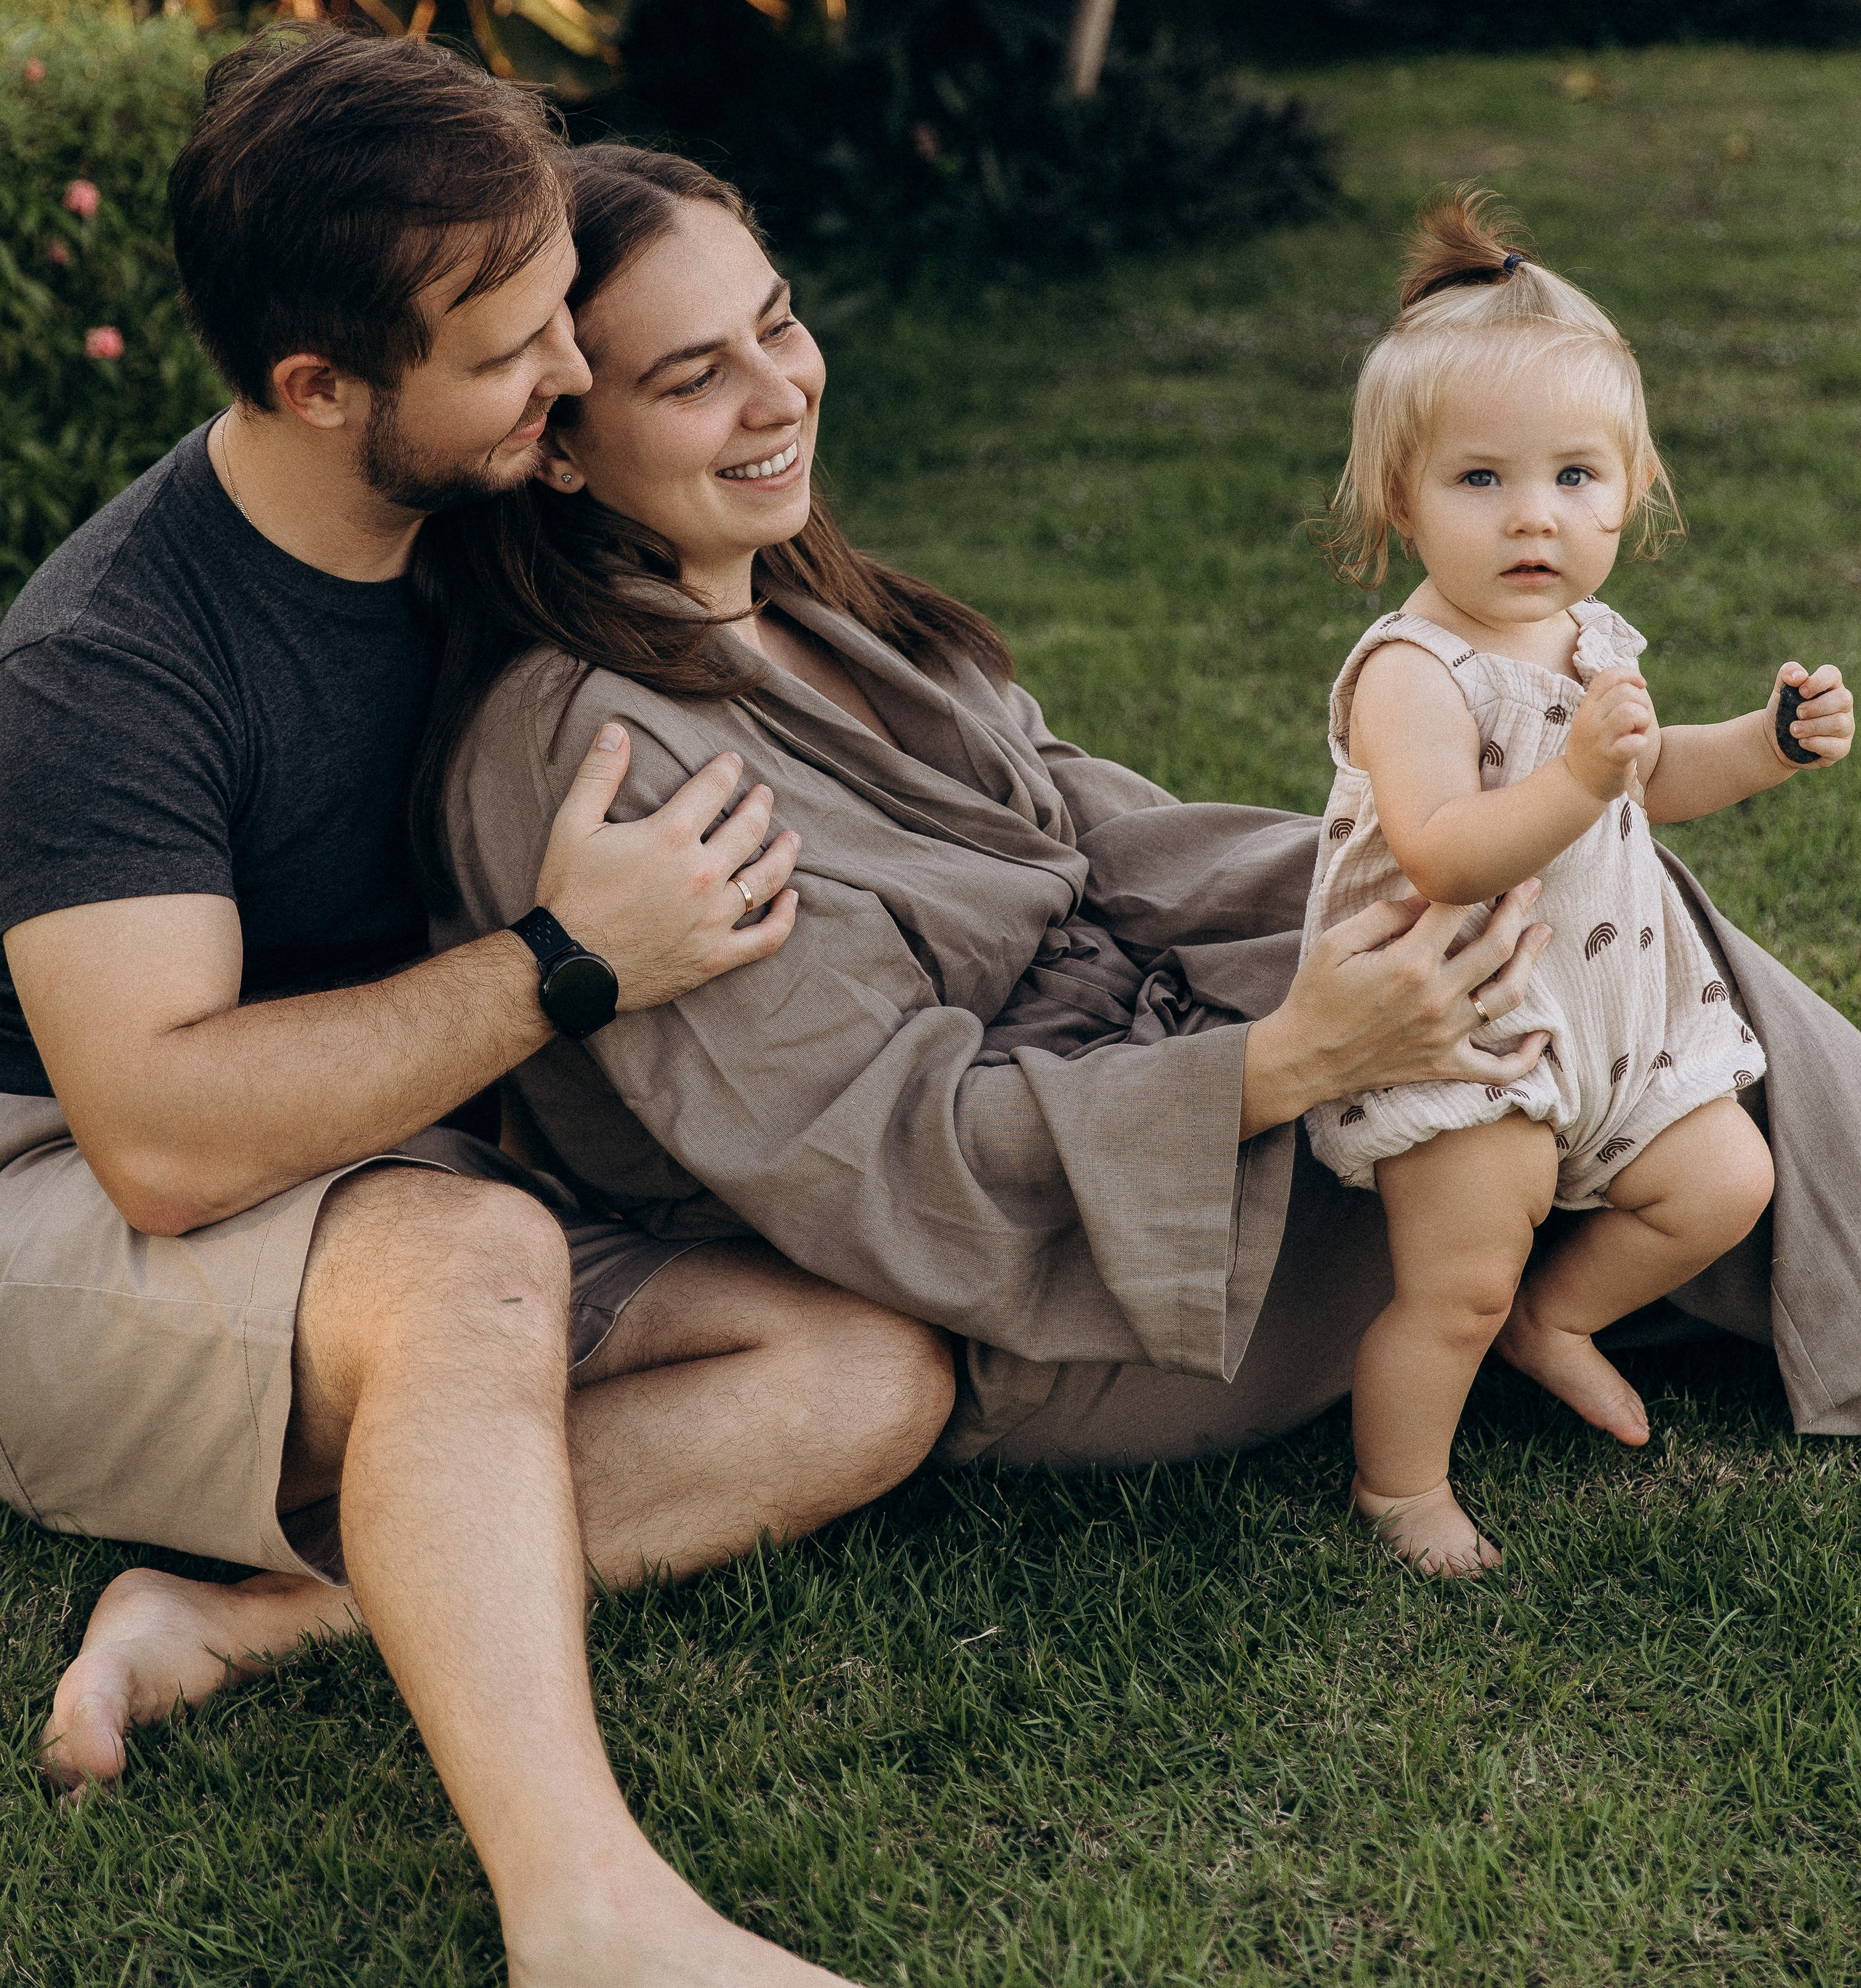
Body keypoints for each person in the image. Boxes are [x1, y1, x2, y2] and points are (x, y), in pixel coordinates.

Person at [417, 141, 1861, 1498]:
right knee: (1524, 1051)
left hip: (1146, 1055)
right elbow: (878, 1145)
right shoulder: (607, 757)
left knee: (1577, 907)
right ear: (556, 441)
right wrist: (1288, 1056)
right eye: (691, 379)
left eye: (776, 323)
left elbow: (1087, 825)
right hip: (1041, 1261)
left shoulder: (800, 607)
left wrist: (1360, 899)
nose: (778, 392)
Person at [0, 32, 957, 1988]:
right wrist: (563, 963)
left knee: (871, 1372)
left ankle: (240, 1620)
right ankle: (588, 1916)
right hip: (59, 1201)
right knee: (473, 1265)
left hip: (384, 1163)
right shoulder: (106, 664)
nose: (579, 375)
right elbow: (159, 1141)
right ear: (319, 386)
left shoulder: (479, 529)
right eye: (518, 347)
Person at [1301, 192, 1851, 1577]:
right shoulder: (1410, 672)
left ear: (1631, 489)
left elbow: (1654, 776)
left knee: (1725, 1177)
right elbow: (1441, 846)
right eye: (1480, 480)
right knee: (1457, 1282)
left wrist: (1766, 746)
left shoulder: (1587, 636)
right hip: (1467, 1026)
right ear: (1401, 499)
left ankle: (1560, 1321)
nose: (1532, 516)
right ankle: (1400, 1484)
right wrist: (1574, 778)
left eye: (1574, 478)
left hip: (1615, 1016)